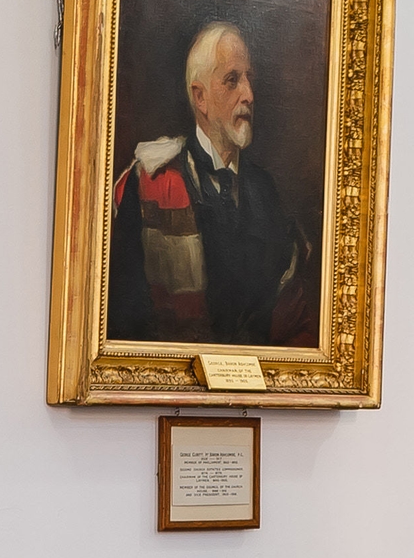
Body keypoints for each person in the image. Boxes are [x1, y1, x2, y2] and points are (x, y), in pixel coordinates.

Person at [107, 21, 317, 346]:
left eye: (249, 79)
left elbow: (291, 317)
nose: (248, 94)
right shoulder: (149, 183)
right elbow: (123, 320)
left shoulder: (267, 192)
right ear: (200, 97)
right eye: (232, 81)